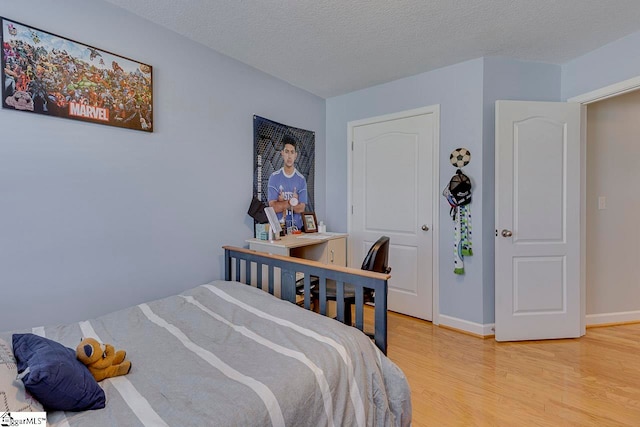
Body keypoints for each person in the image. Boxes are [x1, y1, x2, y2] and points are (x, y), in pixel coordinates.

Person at [268, 135, 308, 231]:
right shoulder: (274, 178)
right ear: (282, 153)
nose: (289, 156)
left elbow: (301, 208)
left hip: (297, 230)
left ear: (296, 155)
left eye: (292, 152)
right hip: (279, 230)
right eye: (286, 152)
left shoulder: (301, 179)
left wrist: (281, 203)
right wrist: (292, 202)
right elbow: (273, 207)